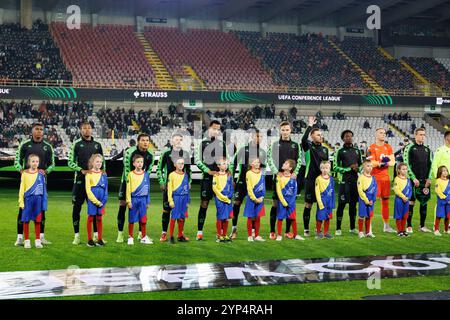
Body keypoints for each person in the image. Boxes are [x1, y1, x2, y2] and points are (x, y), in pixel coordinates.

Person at [14, 122, 54, 246]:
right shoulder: (25, 145)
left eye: (41, 129)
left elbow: (53, 164)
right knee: (22, 209)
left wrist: (46, 170)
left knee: (41, 209)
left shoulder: (48, 147)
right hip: (27, 181)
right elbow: (17, 160)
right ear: (32, 131)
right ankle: (20, 237)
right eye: (36, 129)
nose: (39, 131)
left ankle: (40, 237)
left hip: (41, 182)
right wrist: (21, 169)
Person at [68, 122, 105, 245]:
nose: (87, 130)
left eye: (89, 128)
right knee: (77, 208)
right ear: (80, 130)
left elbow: (102, 162)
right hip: (80, 181)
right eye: (84, 128)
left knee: (94, 209)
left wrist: (103, 173)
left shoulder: (97, 145)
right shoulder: (76, 144)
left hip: (94, 182)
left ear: (92, 130)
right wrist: (81, 170)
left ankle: (95, 236)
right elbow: (70, 162)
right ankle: (76, 236)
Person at [116, 133, 154, 243]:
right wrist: (130, 187)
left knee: (141, 208)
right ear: (138, 141)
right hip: (127, 182)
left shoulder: (151, 154)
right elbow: (127, 170)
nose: (145, 142)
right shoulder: (130, 152)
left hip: (141, 184)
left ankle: (140, 234)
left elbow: (148, 171)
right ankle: (120, 234)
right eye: (143, 140)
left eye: (147, 140)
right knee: (123, 206)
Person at [267, 121, 302, 240]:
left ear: (290, 130)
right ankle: (272, 231)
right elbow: (269, 159)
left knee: (289, 204)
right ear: (280, 130)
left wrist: (296, 172)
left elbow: (299, 159)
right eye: (283, 130)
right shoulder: (274, 144)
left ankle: (287, 231)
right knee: (276, 204)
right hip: (278, 179)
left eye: (287, 129)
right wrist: (276, 172)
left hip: (291, 180)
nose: (285, 132)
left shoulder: (296, 145)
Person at [229, 129, 266, 239]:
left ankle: (254, 232)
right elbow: (233, 164)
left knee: (255, 206)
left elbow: (262, 169)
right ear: (252, 136)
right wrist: (232, 180)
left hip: (256, 185)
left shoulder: (263, 152)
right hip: (242, 182)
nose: (258, 138)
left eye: (260, 137)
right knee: (236, 204)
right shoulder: (243, 149)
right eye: (256, 136)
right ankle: (234, 229)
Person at [194, 120, 228, 241]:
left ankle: (221, 233)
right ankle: (199, 232)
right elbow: (197, 160)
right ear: (209, 128)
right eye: (214, 128)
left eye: (218, 129)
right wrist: (207, 171)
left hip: (221, 180)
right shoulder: (202, 143)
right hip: (207, 179)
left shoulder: (222, 143)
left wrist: (226, 171)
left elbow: (226, 160)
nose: (216, 131)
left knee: (222, 205)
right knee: (204, 204)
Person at [156, 132, 191, 242]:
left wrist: (189, 182)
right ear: (172, 141)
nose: (178, 141)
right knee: (166, 210)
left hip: (181, 188)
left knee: (181, 211)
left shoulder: (185, 153)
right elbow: (158, 169)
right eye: (176, 139)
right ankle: (164, 233)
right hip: (169, 187)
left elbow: (188, 170)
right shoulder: (166, 153)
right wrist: (162, 182)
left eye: (180, 140)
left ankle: (180, 234)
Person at [301, 116, 329, 237]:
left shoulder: (325, 149)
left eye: (321, 134)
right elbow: (303, 139)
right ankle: (306, 230)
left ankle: (319, 230)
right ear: (312, 136)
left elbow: (326, 166)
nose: (320, 136)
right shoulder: (308, 146)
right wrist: (310, 125)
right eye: (318, 134)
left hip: (322, 181)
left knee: (320, 204)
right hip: (311, 180)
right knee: (308, 204)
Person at [403, 128, 433, 233]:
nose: (422, 136)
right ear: (415, 136)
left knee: (424, 203)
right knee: (411, 202)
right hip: (413, 180)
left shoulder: (427, 149)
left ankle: (422, 226)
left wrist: (429, 178)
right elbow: (406, 164)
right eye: (420, 134)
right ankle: (409, 225)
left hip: (425, 181)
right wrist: (413, 178)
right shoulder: (409, 148)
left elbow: (431, 165)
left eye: (423, 135)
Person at [367, 128, 396, 233]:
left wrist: (385, 163)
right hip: (375, 178)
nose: (383, 134)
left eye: (384, 133)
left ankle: (386, 226)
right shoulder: (372, 147)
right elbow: (371, 162)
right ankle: (368, 228)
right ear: (376, 134)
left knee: (386, 202)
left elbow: (393, 162)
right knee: (371, 202)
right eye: (381, 133)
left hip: (385, 178)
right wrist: (381, 163)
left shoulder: (388, 147)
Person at [333, 130, 362, 235]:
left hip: (355, 182)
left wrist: (358, 168)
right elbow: (335, 167)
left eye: (350, 136)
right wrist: (349, 169)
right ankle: (338, 228)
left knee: (353, 205)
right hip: (344, 182)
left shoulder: (357, 151)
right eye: (346, 136)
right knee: (341, 205)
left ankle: (352, 228)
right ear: (343, 138)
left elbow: (361, 165)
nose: (349, 137)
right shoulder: (339, 151)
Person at [18, 154, 47, 249]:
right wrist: (21, 201)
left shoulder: (41, 174)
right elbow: (22, 188)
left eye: (37, 161)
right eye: (33, 161)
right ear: (29, 162)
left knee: (38, 220)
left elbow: (44, 190)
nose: (35, 163)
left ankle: (37, 240)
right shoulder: (25, 174)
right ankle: (27, 241)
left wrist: (44, 203)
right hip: (28, 200)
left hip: (38, 200)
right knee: (26, 220)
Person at [126, 154, 152, 245]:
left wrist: (148, 201)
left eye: (141, 162)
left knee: (143, 219)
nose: (140, 164)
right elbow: (128, 189)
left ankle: (143, 237)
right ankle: (130, 237)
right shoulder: (130, 174)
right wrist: (128, 201)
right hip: (134, 199)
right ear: (134, 163)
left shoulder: (146, 175)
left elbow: (148, 189)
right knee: (131, 219)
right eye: (138, 162)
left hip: (143, 200)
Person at [275, 159, 304, 241]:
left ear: (290, 168)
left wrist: (291, 201)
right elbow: (279, 190)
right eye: (284, 162)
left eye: (286, 163)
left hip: (291, 202)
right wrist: (283, 202)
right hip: (282, 201)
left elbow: (295, 190)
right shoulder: (279, 176)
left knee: (293, 218)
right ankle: (279, 235)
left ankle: (296, 235)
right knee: (280, 218)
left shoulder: (293, 177)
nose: (283, 163)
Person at [85, 154, 107, 247]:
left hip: (102, 200)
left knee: (99, 218)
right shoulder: (89, 174)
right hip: (93, 200)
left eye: (100, 162)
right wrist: (96, 202)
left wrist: (104, 200)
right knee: (91, 218)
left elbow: (106, 189)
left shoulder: (104, 174)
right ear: (92, 162)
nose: (99, 163)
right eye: (97, 161)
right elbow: (88, 190)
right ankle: (89, 240)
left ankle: (99, 239)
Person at [167, 158, 190, 244]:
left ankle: (180, 235)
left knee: (181, 218)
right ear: (175, 165)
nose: (181, 165)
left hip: (184, 199)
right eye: (179, 163)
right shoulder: (171, 175)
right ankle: (171, 236)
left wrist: (188, 200)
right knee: (173, 218)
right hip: (176, 198)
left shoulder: (185, 175)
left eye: (182, 163)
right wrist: (170, 200)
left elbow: (187, 189)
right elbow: (169, 188)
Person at [243, 157, 266, 242]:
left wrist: (262, 197)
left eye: (258, 162)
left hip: (260, 199)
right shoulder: (249, 173)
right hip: (252, 198)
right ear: (251, 164)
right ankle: (249, 236)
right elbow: (249, 188)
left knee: (258, 217)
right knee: (250, 217)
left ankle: (256, 235)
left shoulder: (262, 172)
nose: (257, 163)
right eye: (255, 162)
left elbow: (263, 186)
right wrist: (255, 199)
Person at [212, 157, 234, 243]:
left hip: (228, 199)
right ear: (218, 166)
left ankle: (224, 234)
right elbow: (215, 188)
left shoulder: (229, 175)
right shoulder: (216, 175)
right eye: (223, 164)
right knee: (220, 217)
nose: (225, 165)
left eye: (226, 164)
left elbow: (231, 187)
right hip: (220, 199)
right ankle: (219, 235)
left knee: (226, 217)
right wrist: (223, 198)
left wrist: (230, 195)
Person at [314, 161, 335, 239]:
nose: (324, 170)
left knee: (327, 217)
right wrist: (320, 203)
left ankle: (326, 233)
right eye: (323, 168)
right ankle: (318, 232)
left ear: (329, 169)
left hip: (329, 201)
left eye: (326, 168)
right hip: (322, 201)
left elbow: (332, 192)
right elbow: (317, 192)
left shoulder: (331, 179)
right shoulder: (318, 179)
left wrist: (332, 203)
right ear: (320, 168)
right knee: (320, 217)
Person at [357, 160, 377, 238]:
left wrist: (373, 199)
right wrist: (366, 200)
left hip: (371, 200)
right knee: (362, 215)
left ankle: (368, 232)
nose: (370, 168)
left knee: (369, 216)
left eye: (371, 166)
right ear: (363, 167)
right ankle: (361, 232)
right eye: (368, 166)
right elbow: (360, 190)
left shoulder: (373, 178)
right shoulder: (361, 177)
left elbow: (375, 190)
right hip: (363, 199)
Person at [393, 163, 412, 237]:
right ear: (398, 170)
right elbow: (396, 190)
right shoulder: (397, 179)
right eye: (403, 169)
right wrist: (403, 197)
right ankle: (399, 231)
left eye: (406, 169)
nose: (405, 171)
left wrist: (408, 197)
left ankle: (404, 230)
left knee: (405, 216)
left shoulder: (408, 180)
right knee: (399, 216)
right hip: (399, 200)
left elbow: (410, 190)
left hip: (406, 200)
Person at [434, 166, 450, 236]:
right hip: (441, 201)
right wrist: (446, 199)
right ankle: (436, 230)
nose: (445, 172)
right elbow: (438, 191)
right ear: (440, 172)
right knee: (439, 216)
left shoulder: (449, 181)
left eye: (446, 170)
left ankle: (446, 230)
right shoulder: (438, 181)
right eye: (443, 171)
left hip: (449, 202)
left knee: (448, 216)